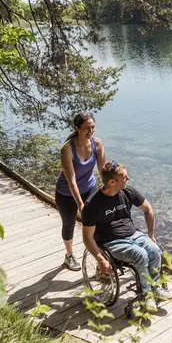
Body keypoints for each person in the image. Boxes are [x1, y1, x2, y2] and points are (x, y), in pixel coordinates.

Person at [81, 161, 172, 312]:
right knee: (141, 255)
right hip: (112, 241)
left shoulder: (128, 192)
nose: (128, 178)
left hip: (134, 234)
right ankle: (146, 295)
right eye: (124, 176)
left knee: (155, 250)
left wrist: (151, 234)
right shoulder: (93, 204)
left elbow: (148, 209)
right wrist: (101, 260)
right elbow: (87, 237)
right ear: (112, 181)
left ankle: (155, 288)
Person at [55, 112, 106, 271]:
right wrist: (81, 205)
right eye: (86, 128)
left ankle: (101, 256)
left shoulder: (97, 144)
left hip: (89, 187)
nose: (90, 131)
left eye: (92, 127)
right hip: (66, 193)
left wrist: (112, 191)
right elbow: (71, 180)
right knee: (69, 223)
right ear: (77, 128)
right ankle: (69, 256)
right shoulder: (67, 149)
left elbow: (103, 171)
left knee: (96, 222)